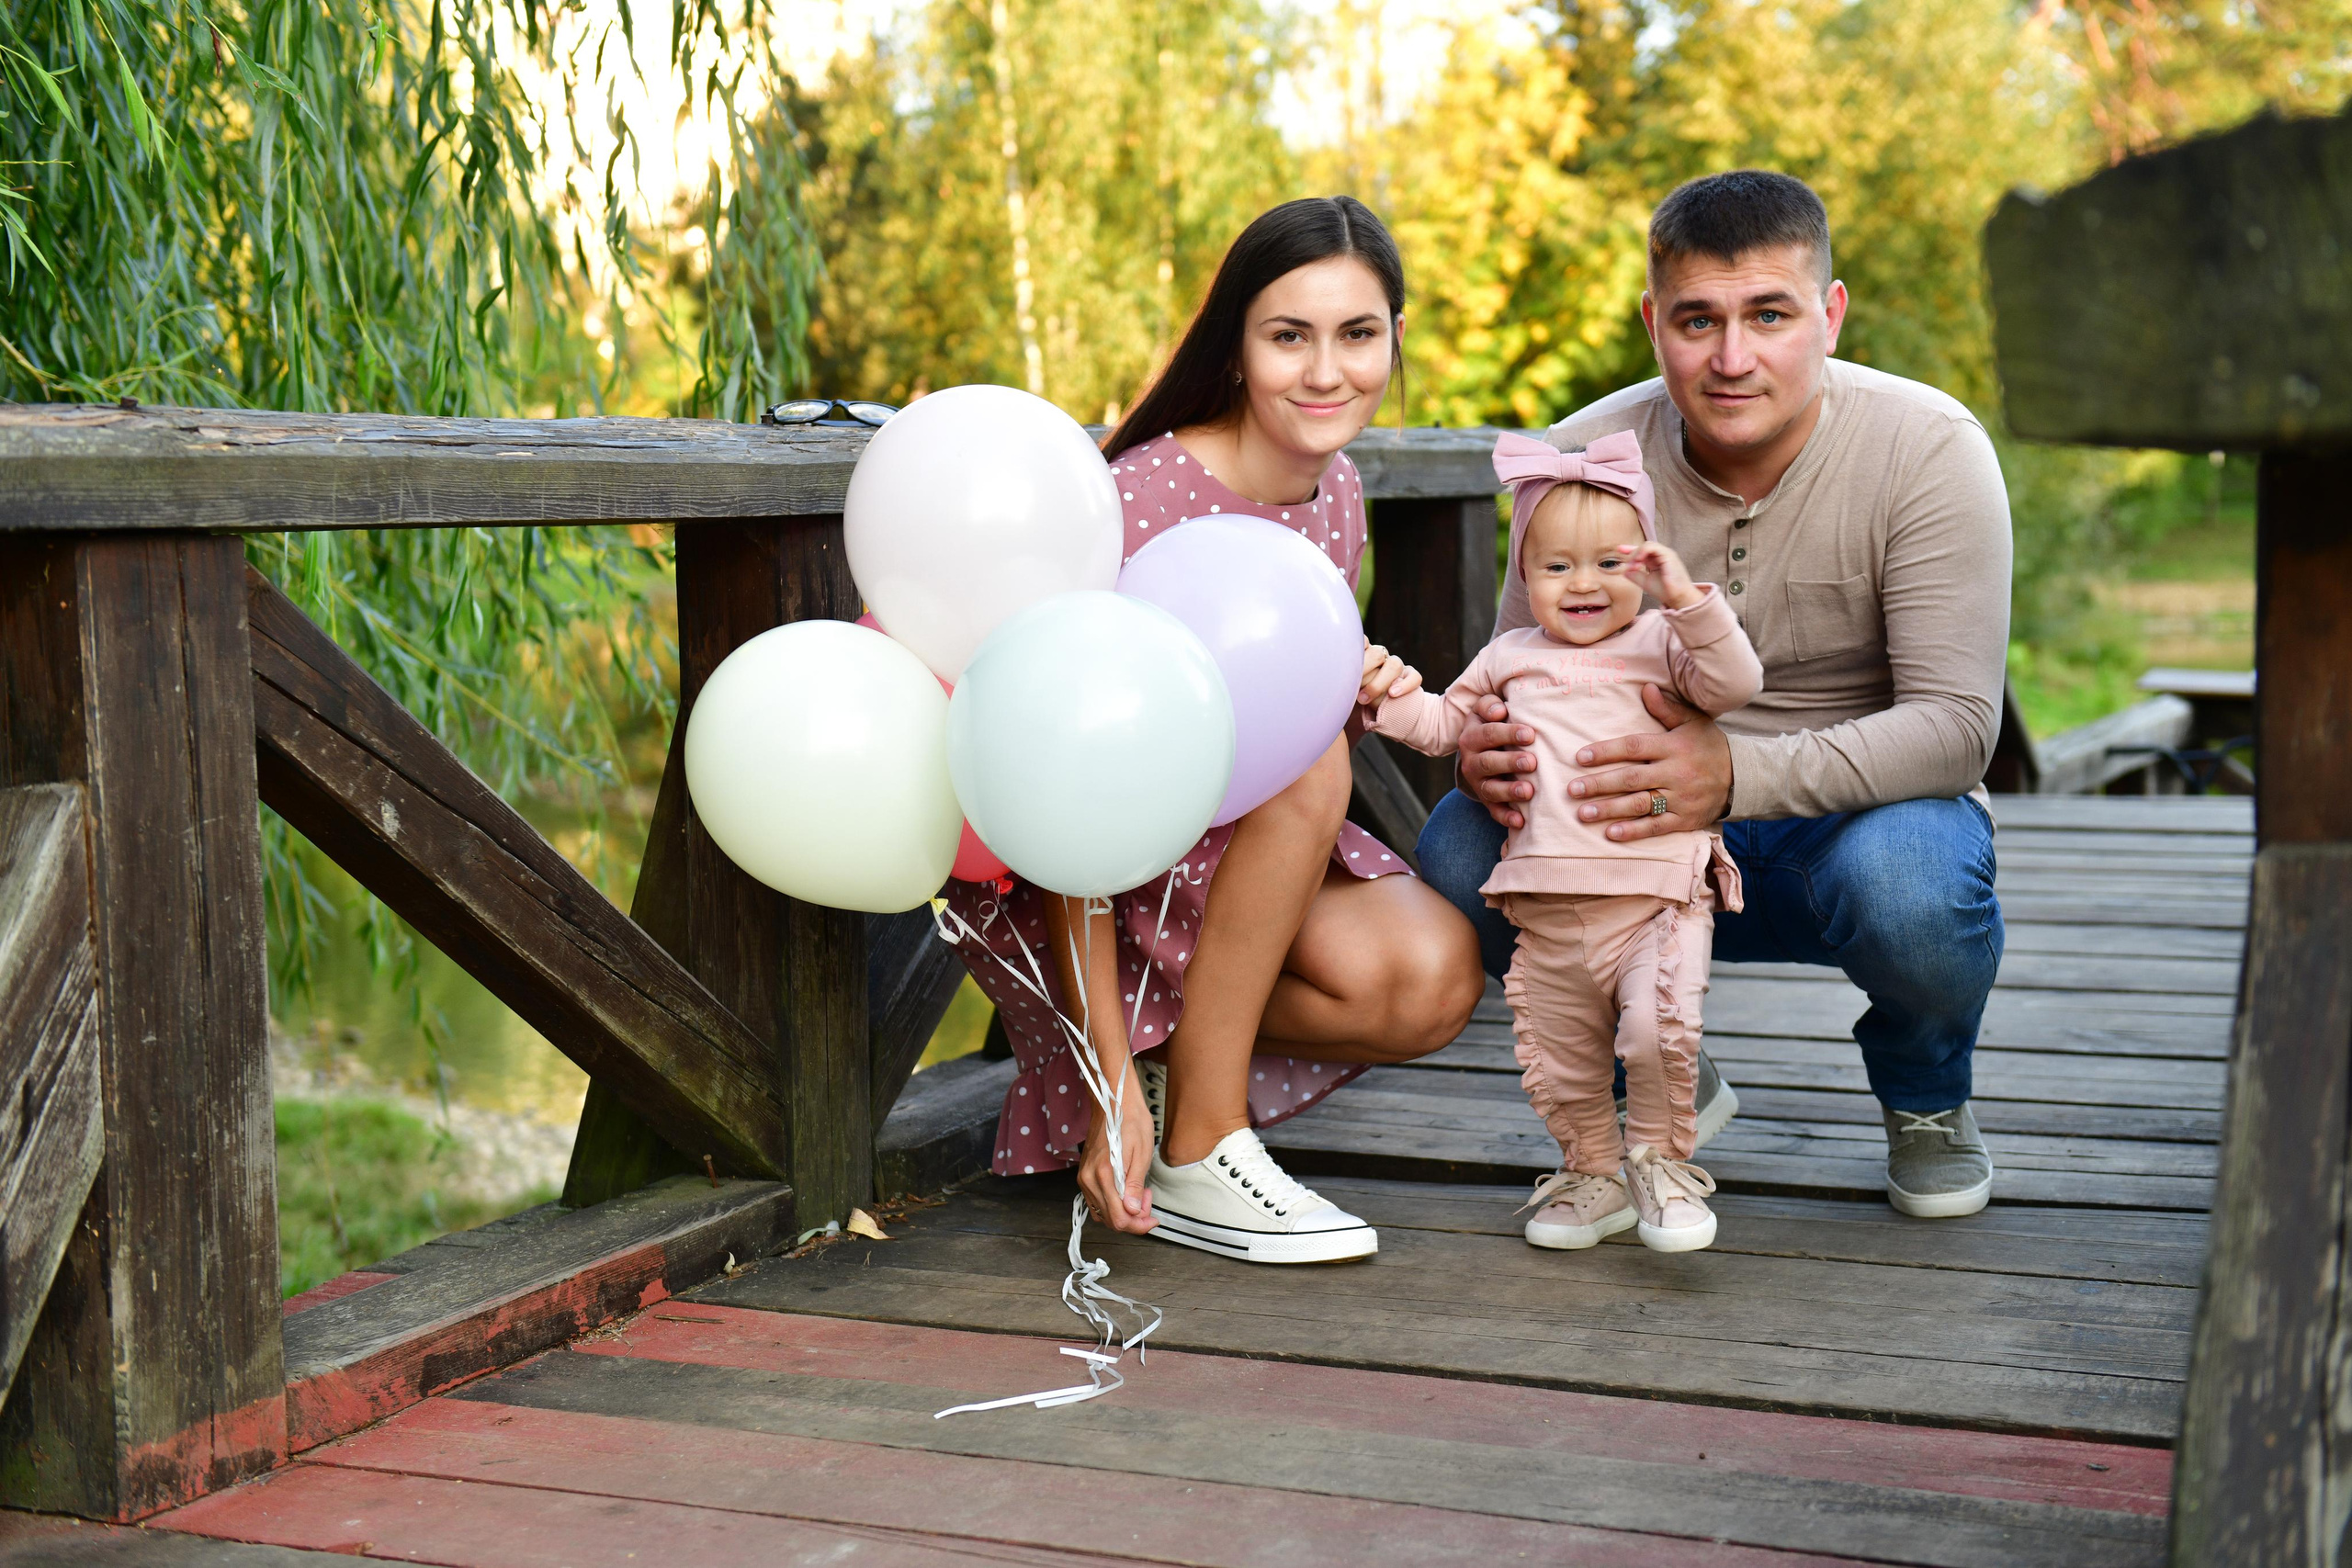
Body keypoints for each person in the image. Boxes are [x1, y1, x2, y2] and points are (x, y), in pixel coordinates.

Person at [1418, 169, 2013, 1220]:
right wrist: (1486, 752)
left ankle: (1924, 1095)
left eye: (1768, 315)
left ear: (1828, 317)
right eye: (1698, 320)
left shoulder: (1928, 449)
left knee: (1917, 883)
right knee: (1462, 847)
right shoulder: (1576, 463)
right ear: (1654, 325)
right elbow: (1521, 670)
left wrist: (1732, 773)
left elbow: (1959, 730)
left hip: (1852, 823)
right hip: (1625, 836)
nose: (1732, 358)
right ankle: (1637, 1092)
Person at [942, 195, 1484, 1265]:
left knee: (1434, 979)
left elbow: (1272, 702)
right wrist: (1099, 1072)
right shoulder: (1133, 506)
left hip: (1232, 867)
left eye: (1356, 334)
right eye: (1289, 336)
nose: (1326, 372)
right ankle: (1201, 1140)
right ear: (1235, 348)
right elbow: (1064, 804)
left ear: (1396, 339)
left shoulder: (1339, 493)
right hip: (1094, 878)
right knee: (1308, 757)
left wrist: (1358, 685)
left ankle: (1180, 1074)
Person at [1370, 430, 1761, 1252]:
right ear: (1524, 577)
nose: (1583, 584)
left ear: (1643, 570)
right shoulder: (1509, 654)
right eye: (1556, 568)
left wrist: (1688, 599)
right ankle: (1593, 1171)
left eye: (1610, 565)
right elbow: (1445, 726)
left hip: (1655, 894)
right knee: (1565, 1057)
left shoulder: (1662, 643)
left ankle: (1661, 1162)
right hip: (1547, 910)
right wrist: (1388, 693)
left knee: (1658, 1032)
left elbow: (1736, 684)